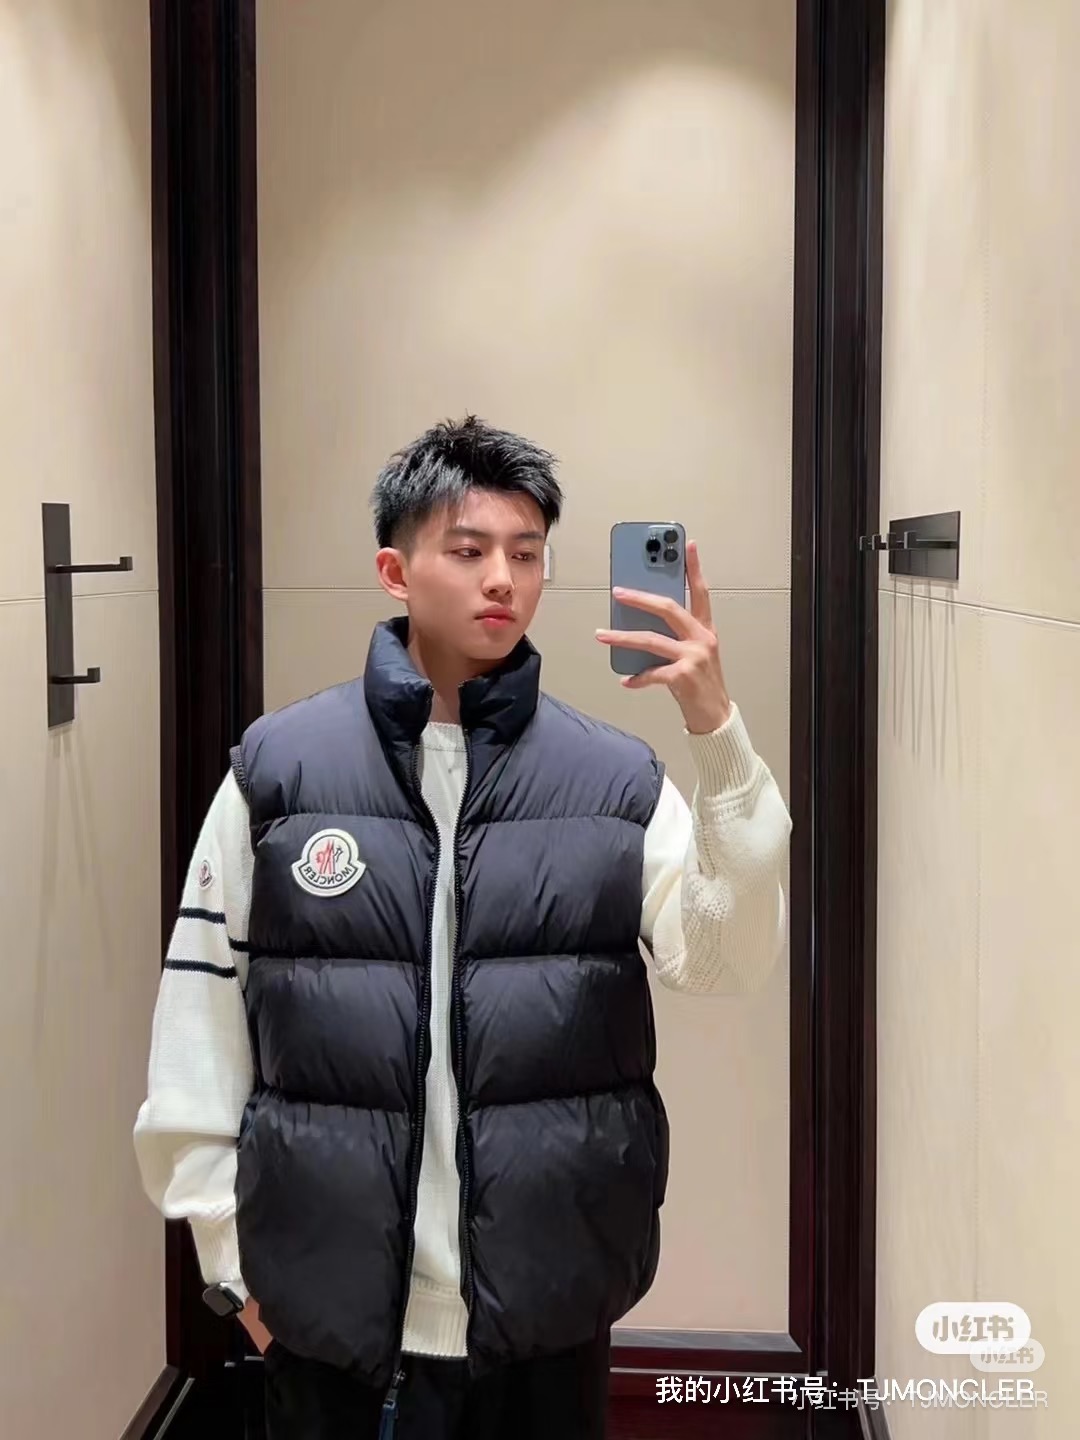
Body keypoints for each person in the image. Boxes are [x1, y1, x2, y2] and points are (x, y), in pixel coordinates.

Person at [134, 416, 792, 1440]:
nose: (502, 580)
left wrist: (717, 733)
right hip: (325, 1317)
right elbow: (199, 1017)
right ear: (395, 572)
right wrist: (232, 1267)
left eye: (527, 555)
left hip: (546, 1314)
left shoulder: (612, 781)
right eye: (469, 549)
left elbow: (725, 961)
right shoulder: (281, 770)